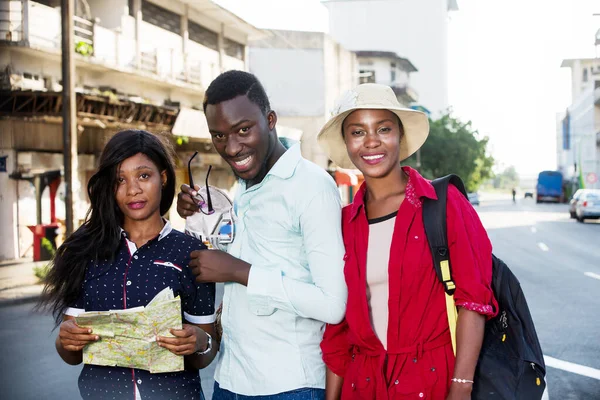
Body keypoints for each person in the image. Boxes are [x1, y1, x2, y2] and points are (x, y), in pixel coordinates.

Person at [317, 84, 498, 400]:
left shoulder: (444, 203)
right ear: (347, 143)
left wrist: (461, 387)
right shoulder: (345, 222)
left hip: (430, 383)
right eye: (358, 132)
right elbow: (340, 330)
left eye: (383, 129)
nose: (371, 141)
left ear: (399, 136)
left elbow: (473, 301)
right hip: (363, 386)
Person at [176, 70, 347, 400]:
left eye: (243, 130)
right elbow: (248, 249)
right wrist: (198, 214)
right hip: (230, 380)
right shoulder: (243, 187)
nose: (233, 147)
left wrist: (237, 272)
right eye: (219, 136)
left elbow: (333, 304)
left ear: (270, 120)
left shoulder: (311, 186)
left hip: (289, 386)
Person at [39, 129, 218, 400]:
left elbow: (204, 354)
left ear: (164, 178)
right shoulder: (87, 250)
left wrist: (199, 342)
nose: (132, 189)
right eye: (119, 179)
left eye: (144, 175)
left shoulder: (190, 252)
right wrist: (65, 341)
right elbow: (72, 355)